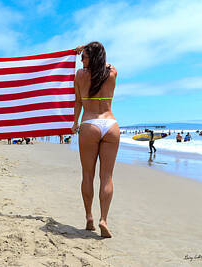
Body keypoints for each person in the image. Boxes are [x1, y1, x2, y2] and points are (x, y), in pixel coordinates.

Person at [72, 42, 119, 238]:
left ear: (90, 58)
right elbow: (106, 64)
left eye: (83, 56)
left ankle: (89, 217)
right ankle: (104, 219)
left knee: (87, 175)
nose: (81, 60)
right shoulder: (112, 73)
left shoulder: (80, 75)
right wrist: (91, 50)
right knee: (106, 177)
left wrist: (75, 123)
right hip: (110, 125)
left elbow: (78, 102)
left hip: (89, 124)